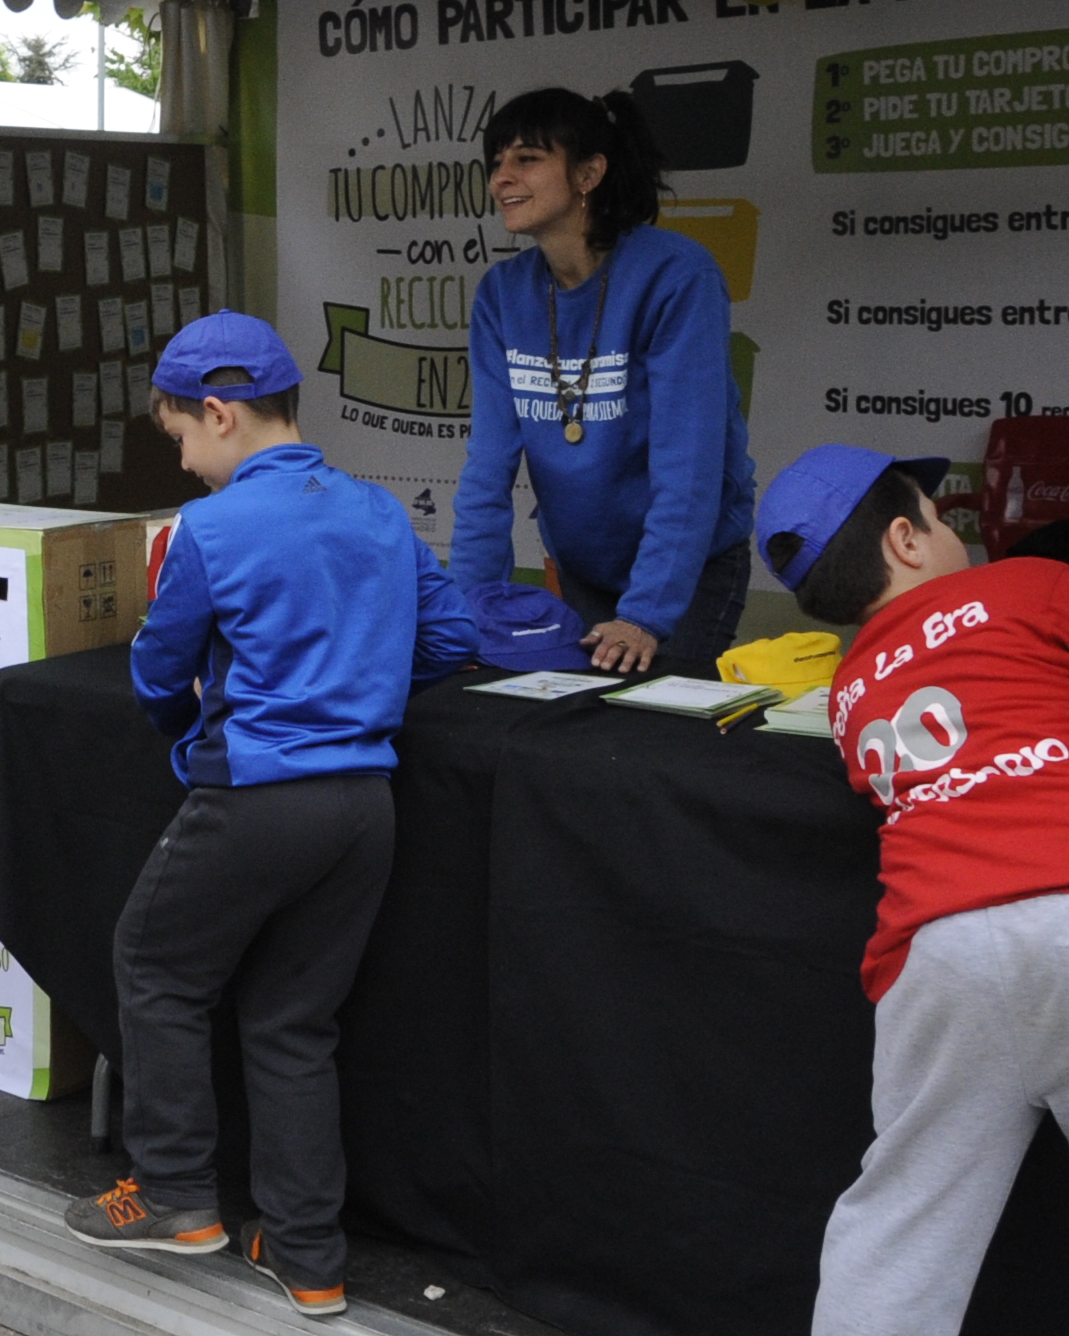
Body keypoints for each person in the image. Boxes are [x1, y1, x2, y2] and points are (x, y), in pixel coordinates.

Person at [67, 312, 476, 1322]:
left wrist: (192, 727)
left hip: (256, 794)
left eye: (179, 437)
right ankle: (306, 1257)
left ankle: (175, 1195)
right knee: (294, 1025)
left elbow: (159, 668)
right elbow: (452, 635)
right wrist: (359, 691)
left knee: (154, 965)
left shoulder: (209, 528)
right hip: (364, 807)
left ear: (220, 413)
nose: (184, 461)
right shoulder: (379, 510)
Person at [755, 447, 1069, 1336]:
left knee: (904, 1224)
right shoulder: (1030, 584)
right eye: (938, 515)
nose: (953, 528)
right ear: (905, 538)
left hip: (936, 950)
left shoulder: (849, 689)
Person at [450, 88, 756, 677]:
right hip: (585, 565)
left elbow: (690, 464)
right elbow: (487, 465)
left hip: (687, 571)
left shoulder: (677, 275)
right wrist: (466, 610)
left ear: (589, 173)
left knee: (655, 726)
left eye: (527, 159)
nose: (501, 178)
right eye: (496, 162)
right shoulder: (501, 293)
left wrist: (645, 615)